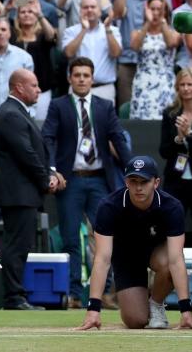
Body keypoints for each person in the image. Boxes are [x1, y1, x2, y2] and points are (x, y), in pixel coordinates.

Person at [41, 57, 132, 309]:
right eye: (77, 74)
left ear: (93, 78)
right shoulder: (58, 105)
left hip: (100, 181)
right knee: (71, 238)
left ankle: (105, 293)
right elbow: (47, 137)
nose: (81, 79)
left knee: (105, 237)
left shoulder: (104, 106)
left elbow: (118, 139)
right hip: (70, 181)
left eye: (86, 75)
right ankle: (72, 294)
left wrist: (134, 171)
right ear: (70, 78)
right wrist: (51, 169)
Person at [76, 156, 192, 331]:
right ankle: (143, 305)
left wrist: (186, 311)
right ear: (126, 181)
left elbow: (176, 260)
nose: (139, 187)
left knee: (169, 262)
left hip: (157, 253)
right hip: (126, 258)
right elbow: (102, 259)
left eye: (144, 181)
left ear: (156, 183)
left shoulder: (172, 207)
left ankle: (156, 304)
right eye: (133, 181)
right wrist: (93, 309)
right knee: (136, 321)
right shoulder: (109, 206)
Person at [0, 69, 60, 310]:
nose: (39, 89)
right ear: (19, 87)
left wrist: (48, 174)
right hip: (18, 194)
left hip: (23, 193)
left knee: (20, 245)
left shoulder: (16, 112)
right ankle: (13, 298)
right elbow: (27, 155)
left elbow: (32, 153)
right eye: (34, 85)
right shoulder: (11, 114)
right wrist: (45, 180)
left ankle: (16, 296)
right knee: (17, 246)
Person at [157, 69, 192, 248]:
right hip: (176, 178)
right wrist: (179, 139)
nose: (186, 89)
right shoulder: (170, 114)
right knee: (171, 225)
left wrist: (190, 134)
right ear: (177, 88)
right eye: (182, 85)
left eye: (190, 84)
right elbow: (164, 151)